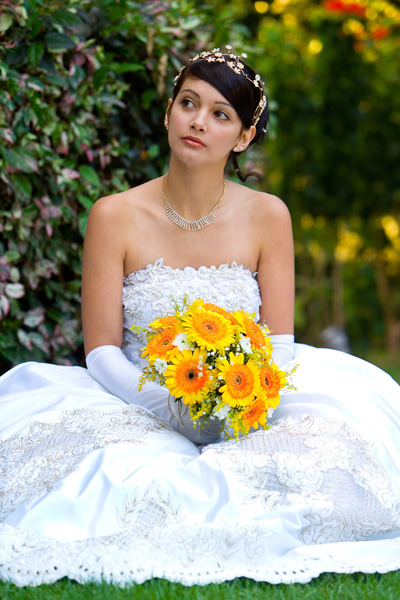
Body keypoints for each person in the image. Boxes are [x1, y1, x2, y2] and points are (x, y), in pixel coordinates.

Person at [0, 47, 400, 588]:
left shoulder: (267, 215)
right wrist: (166, 406)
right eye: (188, 103)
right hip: (136, 397)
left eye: (220, 114)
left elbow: (279, 341)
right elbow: (100, 350)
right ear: (168, 112)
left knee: (328, 457)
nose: (197, 121)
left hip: (246, 399)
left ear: (242, 138)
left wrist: (245, 404)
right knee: (107, 482)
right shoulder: (113, 215)